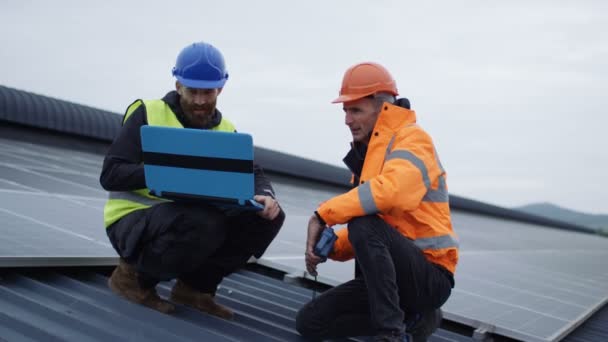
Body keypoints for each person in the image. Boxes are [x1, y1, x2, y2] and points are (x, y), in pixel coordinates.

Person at [99, 41, 285, 318]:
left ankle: (195, 289)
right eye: (192, 91)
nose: (199, 100)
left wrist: (266, 195)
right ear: (177, 85)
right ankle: (132, 279)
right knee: (203, 221)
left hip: (187, 218)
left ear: (220, 89)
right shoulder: (148, 113)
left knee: (268, 217)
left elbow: (253, 173)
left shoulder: (226, 130)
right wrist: (168, 173)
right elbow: (111, 174)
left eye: (207, 92)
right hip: (135, 221)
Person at [295, 62, 459, 341]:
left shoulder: (413, 140)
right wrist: (331, 246)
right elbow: (378, 232)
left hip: (429, 276)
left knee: (362, 222)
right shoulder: (369, 155)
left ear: (383, 108)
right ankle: (415, 320)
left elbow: (391, 193)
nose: (347, 119)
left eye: (355, 110)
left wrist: (323, 215)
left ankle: (390, 334)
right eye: (345, 111)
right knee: (310, 323)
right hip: (391, 280)